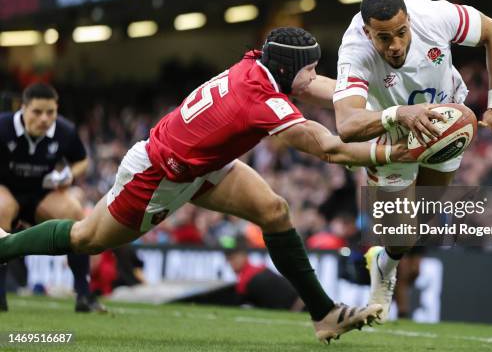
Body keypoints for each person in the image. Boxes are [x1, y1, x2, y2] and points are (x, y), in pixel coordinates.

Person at [0, 27, 418, 342]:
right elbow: (332, 149)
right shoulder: (261, 101)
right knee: (87, 238)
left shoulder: (260, 64)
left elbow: (319, 90)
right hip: (158, 174)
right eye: (309, 69)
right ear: (288, 70)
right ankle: (3, 246)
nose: (314, 77)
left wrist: (382, 104)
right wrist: (390, 149)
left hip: (203, 164)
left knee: (274, 211)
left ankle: (324, 314)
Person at [331, 0, 492, 321]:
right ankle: (385, 264)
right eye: (384, 37)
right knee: (401, 235)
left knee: (427, 213)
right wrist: (399, 114)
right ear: (367, 33)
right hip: (392, 132)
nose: (396, 45)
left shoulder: (435, 17)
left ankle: (386, 259)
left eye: (402, 33)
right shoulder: (354, 50)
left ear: (410, 21)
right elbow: (346, 123)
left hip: (442, 122)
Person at [0, 83, 104, 313]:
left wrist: (69, 174)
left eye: (51, 112)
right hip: (6, 189)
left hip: (42, 192)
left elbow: (82, 160)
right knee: (0, 208)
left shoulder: (65, 130)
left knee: (75, 214)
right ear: (23, 108)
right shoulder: (2, 126)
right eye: (37, 112)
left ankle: (83, 294)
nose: (45, 118)